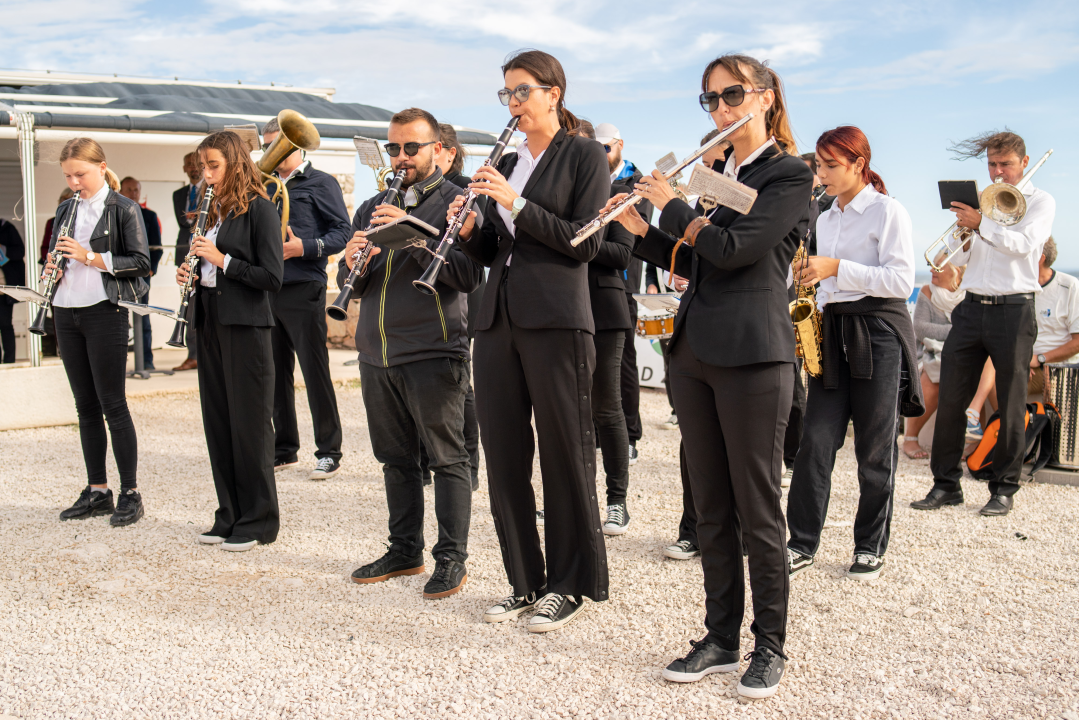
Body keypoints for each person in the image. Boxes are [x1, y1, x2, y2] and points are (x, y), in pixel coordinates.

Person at [613, 53, 810, 698]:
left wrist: (672, 206)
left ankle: (770, 643)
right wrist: (638, 227)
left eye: (732, 96)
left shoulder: (789, 174)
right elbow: (693, 259)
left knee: (758, 507)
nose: (722, 109)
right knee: (710, 504)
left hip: (755, 355)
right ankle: (721, 635)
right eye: (711, 101)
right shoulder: (717, 173)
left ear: (766, 97)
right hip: (695, 353)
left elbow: (734, 251)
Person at [451, 49, 610, 633]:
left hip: (557, 318)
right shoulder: (511, 159)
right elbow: (498, 250)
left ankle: (568, 584)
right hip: (497, 319)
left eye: (522, 92)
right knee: (505, 454)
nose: (514, 105)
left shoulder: (584, 155)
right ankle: (524, 579)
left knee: (565, 451)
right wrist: (471, 232)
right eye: (507, 96)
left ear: (554, 94)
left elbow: (583, 241)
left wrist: (514, 201)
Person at [342, 108, 480, 599]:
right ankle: (404, 550)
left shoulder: (457, 202)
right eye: (394, 148)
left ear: (440, 151)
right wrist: (349, 262)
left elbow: (468, 276)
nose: (400, 157)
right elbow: (351, 288)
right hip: (376, 351)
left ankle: (451, 559)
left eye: (412, 148)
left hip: (432, 348)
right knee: (395, 460)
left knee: (447, 458)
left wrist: (412, 232)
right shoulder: (372, 204)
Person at [785, 127, 921, 582]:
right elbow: (829, 284)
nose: (820, 174)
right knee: (815, 443)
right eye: (818, 165)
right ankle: (800, 542)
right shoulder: (823, 216)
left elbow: (901, 282)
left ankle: (869, 546)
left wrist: (837, 267)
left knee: (874, 446)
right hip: (834, 329)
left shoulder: (888, 211)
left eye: (829, 165)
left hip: (878, 333)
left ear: (858, 164)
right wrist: (813, 298)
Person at [913, 130, 1055, 517]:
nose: (997, 172)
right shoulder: (983, 205)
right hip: (971, 309)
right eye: (992, 164)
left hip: (1014, 310)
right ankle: (945, 485)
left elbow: (1024, 244)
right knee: (953, 398)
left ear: (1024, 163)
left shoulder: (1041, 202)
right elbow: (961, 261)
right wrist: (956, 242)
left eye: (1005, 164)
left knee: (1010, 403)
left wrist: (981, 224)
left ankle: (1004, 488)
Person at [180, 131, 283, 552]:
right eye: (202, 167)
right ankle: (229, 514)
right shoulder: (210, 212)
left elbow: (272, 278)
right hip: (210, 322)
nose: (205, 174)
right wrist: (192, 275)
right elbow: (208, 271)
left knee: (250, 427)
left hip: (246, 328)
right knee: (218, 423)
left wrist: (222, 261)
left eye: (213, 166)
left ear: (236, 164)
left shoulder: (260, 210)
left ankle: (259, 521)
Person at [47, 138, 151, 527]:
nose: (75, 183)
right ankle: (97, 491)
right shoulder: (65, 208)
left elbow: (141, 262)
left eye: (81, 174)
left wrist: (90, 257)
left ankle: (130, 493)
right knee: (84, 407)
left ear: (101, 166)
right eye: (68, 176)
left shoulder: (123, 208)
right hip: (65, 310)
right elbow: (61, 255)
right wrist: (55, 268)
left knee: (113, 404)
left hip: (104, 311)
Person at [260, 117, 351, 480]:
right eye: (266, 144)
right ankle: (285, 450)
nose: (270, 150)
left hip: (303, 286)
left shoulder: (321, 182)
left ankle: (329, 450)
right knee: (275, 373)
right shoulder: (262, 185)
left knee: (315, 372)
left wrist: (304, 247)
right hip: (268, 288)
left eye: (276, 143)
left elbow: (343, 231)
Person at [578, 119, 634, 536]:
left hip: (605, 312)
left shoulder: (621, 195)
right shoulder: (561, 195)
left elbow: (620, 254)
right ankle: (576, 498)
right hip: (563, 309)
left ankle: (617, 502)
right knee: (568, 412)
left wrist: (574, 238)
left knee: (606, 408)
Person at [601, 122, 653, 461]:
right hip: (592, 279)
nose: (601, 154)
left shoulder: (639, 182)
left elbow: (637, 233)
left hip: (623, 281)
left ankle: (631, 435)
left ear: (619, 144)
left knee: (624, 363)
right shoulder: (591, 177)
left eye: (606, 148)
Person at [436, 122, 482, 491]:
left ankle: (469, 463)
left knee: (463, 384)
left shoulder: (464, 188)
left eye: (433, 148)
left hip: (462, 293)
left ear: (448, 153)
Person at [902, 259, 965, 459]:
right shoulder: (927, 292)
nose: (932, 270)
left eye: (938, 267)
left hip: (960, 352)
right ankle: (910, 438)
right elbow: (920, 328)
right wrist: (955, 331)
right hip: (928, 351)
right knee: (934, 372)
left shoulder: (969, 294)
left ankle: (974, 440)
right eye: (932, 265)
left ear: (956, 271)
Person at [118, 177, 163, 370]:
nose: (133, 193)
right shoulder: (114, 215)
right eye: (129, 190)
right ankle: (119, 364)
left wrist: (151, 268)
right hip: (118, 274)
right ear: (120, 192)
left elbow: (157, 247)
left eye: (136, 190)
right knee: (118, 319)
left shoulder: (149, 216)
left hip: (141, 275)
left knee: (143, 317)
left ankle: (146, 361)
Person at [1029, 238, 1079, 394]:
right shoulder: (1017, 287)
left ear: (1040, 258)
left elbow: (1077, 343)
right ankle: (975, 418)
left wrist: (1039, 359)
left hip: (1059, 368)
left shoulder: (1070, 286)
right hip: (1025, 365)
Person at [172, 151, 202, 371]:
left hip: (206, 254)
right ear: (184, 169)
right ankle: (193, 354)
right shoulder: (178, 194)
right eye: (188, 165)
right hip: (185, 252)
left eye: (196, 164)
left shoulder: (210, 191)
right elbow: (185, 222)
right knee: (188, 306)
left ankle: (203, 352)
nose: (192, 168)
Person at [38, 188, 75, 357]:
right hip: (57, 271)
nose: (66, 203)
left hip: (76, 271)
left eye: (69, 199)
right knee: (57, 314)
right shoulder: (52, 221)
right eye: (63, 199)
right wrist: (52, 260)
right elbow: (46, 247)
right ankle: (61, 348)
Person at [0, 217, 25, 363]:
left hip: (4, 288)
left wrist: (2, 249)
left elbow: (19, 251)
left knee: (5, 324)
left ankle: (9, 361)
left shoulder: (6, 227)